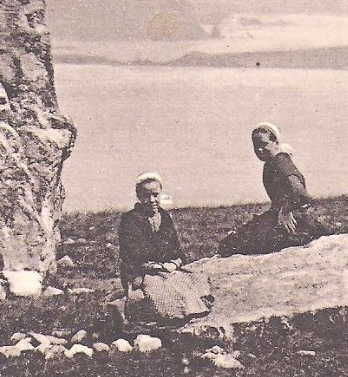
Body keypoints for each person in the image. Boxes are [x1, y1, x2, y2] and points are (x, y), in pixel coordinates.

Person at [115, 172, 212, 327]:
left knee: (194, 279)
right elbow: (134, 254)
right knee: (163, 290)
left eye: (155, 195)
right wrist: (159, 265)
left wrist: (174, 263)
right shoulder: (130, 220)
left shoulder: (164, 217)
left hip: (164, 268)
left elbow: (175, 248)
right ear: (139, 197)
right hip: (141, 271)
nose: (151, 200)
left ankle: (191, 310)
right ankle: (168, 316)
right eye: (146, 196)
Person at [217, 123, 326, 256]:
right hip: (285, 218)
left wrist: (285, 211)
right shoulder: (273, 161)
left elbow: (301, 193)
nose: (260, 149)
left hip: (294, 223)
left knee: (231, 245)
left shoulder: (280, 161)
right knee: (233, 243)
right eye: (256, 146)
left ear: (276, 142)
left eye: (264, 144)